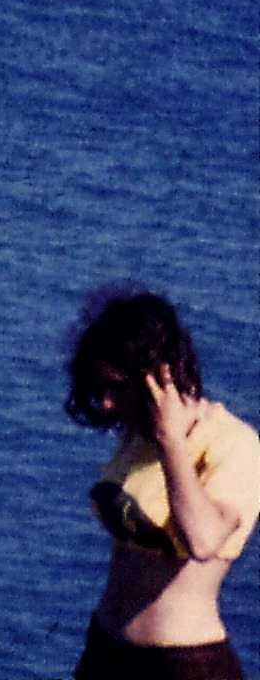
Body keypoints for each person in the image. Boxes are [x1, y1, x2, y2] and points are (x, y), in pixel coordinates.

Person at [67, 288, 260, 680]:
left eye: (117, 387)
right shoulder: (138, 436)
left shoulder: (234, 444)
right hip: (106, 651)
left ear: (160, 374)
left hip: (182, 664)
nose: (106, 403)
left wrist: (173, 442)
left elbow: (204, 541)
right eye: (100, 388)